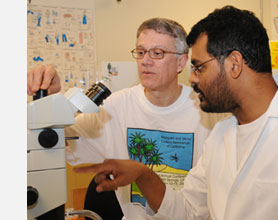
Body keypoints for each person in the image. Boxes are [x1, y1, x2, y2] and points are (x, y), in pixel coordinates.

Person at [74, 5, 278, 220]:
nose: (191, 78)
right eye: (141, 52)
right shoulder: (221, 134)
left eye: (199, 67)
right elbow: (187, 211)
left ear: (234, 63)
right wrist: (143, 175)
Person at [27, 18, 227, 219]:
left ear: (181, 62)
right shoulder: (116, 106)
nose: (146, 61)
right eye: (140, 52)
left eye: (157, 53)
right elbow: (53, 140)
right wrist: (49, 102)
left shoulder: (207, 111)